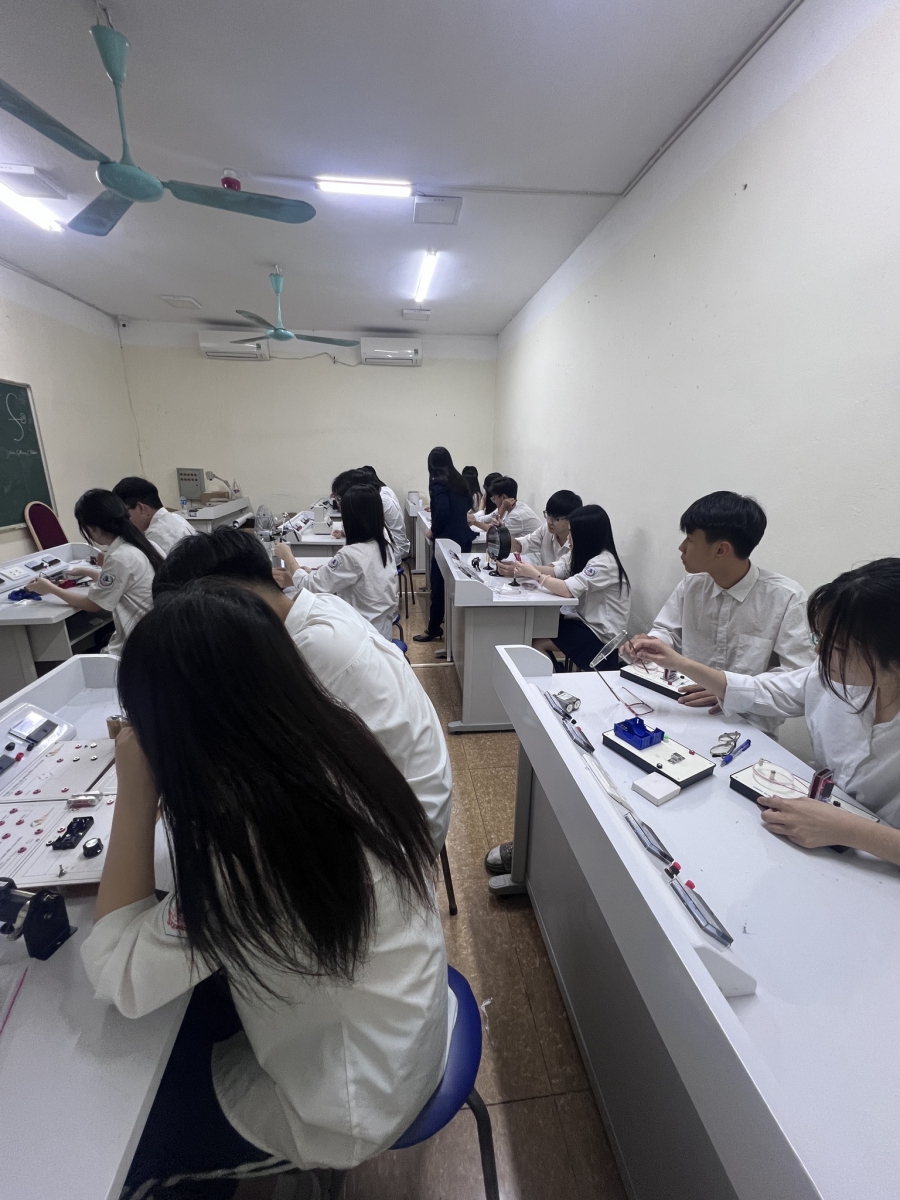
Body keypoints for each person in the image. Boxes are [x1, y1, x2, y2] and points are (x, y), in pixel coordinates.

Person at [81, 581, 453, 1195]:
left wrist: (136, 789)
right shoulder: (336, 747)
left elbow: (116, 971)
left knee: (130, 1143)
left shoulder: (255, 846)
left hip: (354, 1103)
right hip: (404, 1028)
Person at [154, 528, 451, 850]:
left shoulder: (309, 649)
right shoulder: (320, 606)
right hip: (410, 791)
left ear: (227, 602)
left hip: (405, 830)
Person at [629, 558, 900, 866]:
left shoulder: (786, 597)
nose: (818, 652)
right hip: (824, 836)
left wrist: (850, 831)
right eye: (820, 638)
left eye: (838, 648)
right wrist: (678, 662)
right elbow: (762, 691)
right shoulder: (829, 677)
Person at [622, 491, 814, 735]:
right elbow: (668, 630)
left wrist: (729, 690)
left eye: (690, 540)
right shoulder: (691, 586)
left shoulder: (786, 598)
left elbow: (798, 681)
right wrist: (653, 643)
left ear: (721, 550)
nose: (681, 548)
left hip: (748, 726)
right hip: (685, 708)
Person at [25, 488, 160, 656]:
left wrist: (50, 588)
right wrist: (89, 572)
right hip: (155, 633)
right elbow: (125, 582)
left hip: (138, 645)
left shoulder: (120, 557)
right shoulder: (143, 544)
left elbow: (92, 605)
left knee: (85, 652)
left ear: (92, 528)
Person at [507, 504, 631, 671]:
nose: (568, 539)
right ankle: (555, 671)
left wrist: (535, 575)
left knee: (536, 642)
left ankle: (554, 681)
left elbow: (567, 590)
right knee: (537, 626)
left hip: (600, 635)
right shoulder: (583, 554)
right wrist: (525, 569)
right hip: (582, 621)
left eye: (572, 533)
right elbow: (557, 570)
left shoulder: (604, 563)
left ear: (586, 535)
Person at [276, 485, 398, 640]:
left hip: (363, 633)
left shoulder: (351, 555)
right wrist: (312, 573)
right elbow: (350, 575)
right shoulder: (383, 542)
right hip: (381, 626)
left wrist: (288, 557)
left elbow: (311, 586)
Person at [413, 447, 475, 644]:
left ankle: (434, 628)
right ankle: (460, 629)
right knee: (461, 583)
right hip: (463, 538)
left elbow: (442, 512)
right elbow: (466, 506)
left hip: (446, 541)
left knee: (438, 585)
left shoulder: (438, 482)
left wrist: (433, 529)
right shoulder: (460, 481)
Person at [112, 475, 197, 556]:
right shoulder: (176, 517)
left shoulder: (156, 534)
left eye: (125, 513)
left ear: (141, 508)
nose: (126, 519)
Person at [505, 489, 582, 565]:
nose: (549, 522)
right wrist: (501, 533)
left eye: (555, 519)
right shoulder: (546, 529)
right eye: (548, 515)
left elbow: (560, 569)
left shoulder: (579, 540)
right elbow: (522, 544)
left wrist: (522, 569)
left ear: (571, 519)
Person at [357, 466, 410, 564]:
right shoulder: (385, 490)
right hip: (399, 544)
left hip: (395, 548)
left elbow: (367, 527)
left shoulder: (381, 499)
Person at [470, 476, 540, 539]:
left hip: (530, 549)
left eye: (494, 497)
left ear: (504, 497)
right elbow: (491, 525)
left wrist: (502, 508)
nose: (493, 500)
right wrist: (473, 521)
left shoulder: (517, 515)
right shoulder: (509, 507)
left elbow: (493, 532)